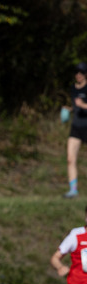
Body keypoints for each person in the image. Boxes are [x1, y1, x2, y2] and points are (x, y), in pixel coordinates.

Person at [63, 62, 87, 198]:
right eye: (77, 73)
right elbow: (76, 106)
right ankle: (73, 190)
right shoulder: (73, 89)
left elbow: (82, 105)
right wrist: (69, 110)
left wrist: (83, 105)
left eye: (81, 73)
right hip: (76, 127)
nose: (78, 75)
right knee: (70, 158)